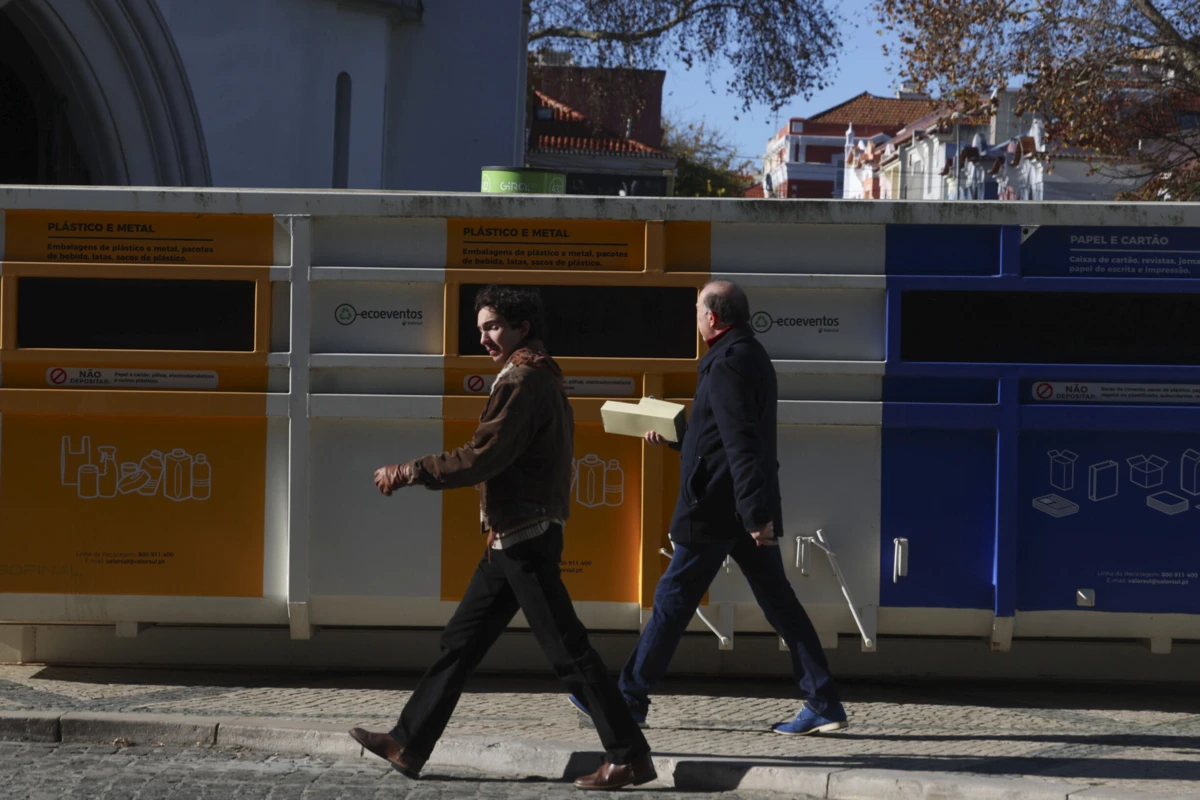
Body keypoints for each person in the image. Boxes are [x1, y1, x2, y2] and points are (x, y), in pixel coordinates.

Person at [350, 285, 655, 790]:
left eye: (493, 327)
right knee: (461, 643)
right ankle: (407, 742)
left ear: (522, 328)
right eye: (481, 330)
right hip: (511, 537)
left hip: (524, 537)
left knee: (568, 652)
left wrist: (410, 471)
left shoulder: (523, 380)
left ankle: (630, 757)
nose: (485, 339)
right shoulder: (542, 376)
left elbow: (482, 456)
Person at [569, 280, 848, 735]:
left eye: (698, 310)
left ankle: (629, 698)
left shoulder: (727, 364)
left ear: (713, 318)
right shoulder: (747, 354)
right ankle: (823, 700)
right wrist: (675, 436)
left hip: (719, 511)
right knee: (779, 605)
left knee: (672, 602)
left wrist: (756, 516)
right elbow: (721, 439)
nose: (695, 318)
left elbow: (742, 444)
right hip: (739, 505)